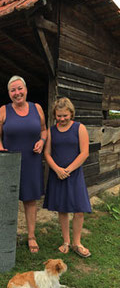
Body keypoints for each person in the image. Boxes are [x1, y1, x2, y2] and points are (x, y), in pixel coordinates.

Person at [0, 75, 47, 253]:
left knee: (30, 200)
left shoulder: (37, 108)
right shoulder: (4, 110)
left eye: (19, 89)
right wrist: (1, 149)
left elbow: (44, 130)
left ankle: (31, 236)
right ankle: (9, 234)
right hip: (10, 162)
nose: (17, 93)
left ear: (26, 89)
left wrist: (42, 141)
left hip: (31, 161)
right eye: (13, 90)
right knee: (8, 201)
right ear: (9, 93)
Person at [43, 97, 91, 258]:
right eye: (59, 116)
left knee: (79, 209)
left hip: (74, 174)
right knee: (62, 209)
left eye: (65, 115)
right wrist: (57, 169)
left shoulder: (79, 128)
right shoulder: (51, 131)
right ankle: (66, 241)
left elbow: (84, 152)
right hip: (58, 175)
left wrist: (68, 170)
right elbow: (47, 153)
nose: (62, 119)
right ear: (55, 115)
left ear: (71, 113)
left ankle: (77, 242)